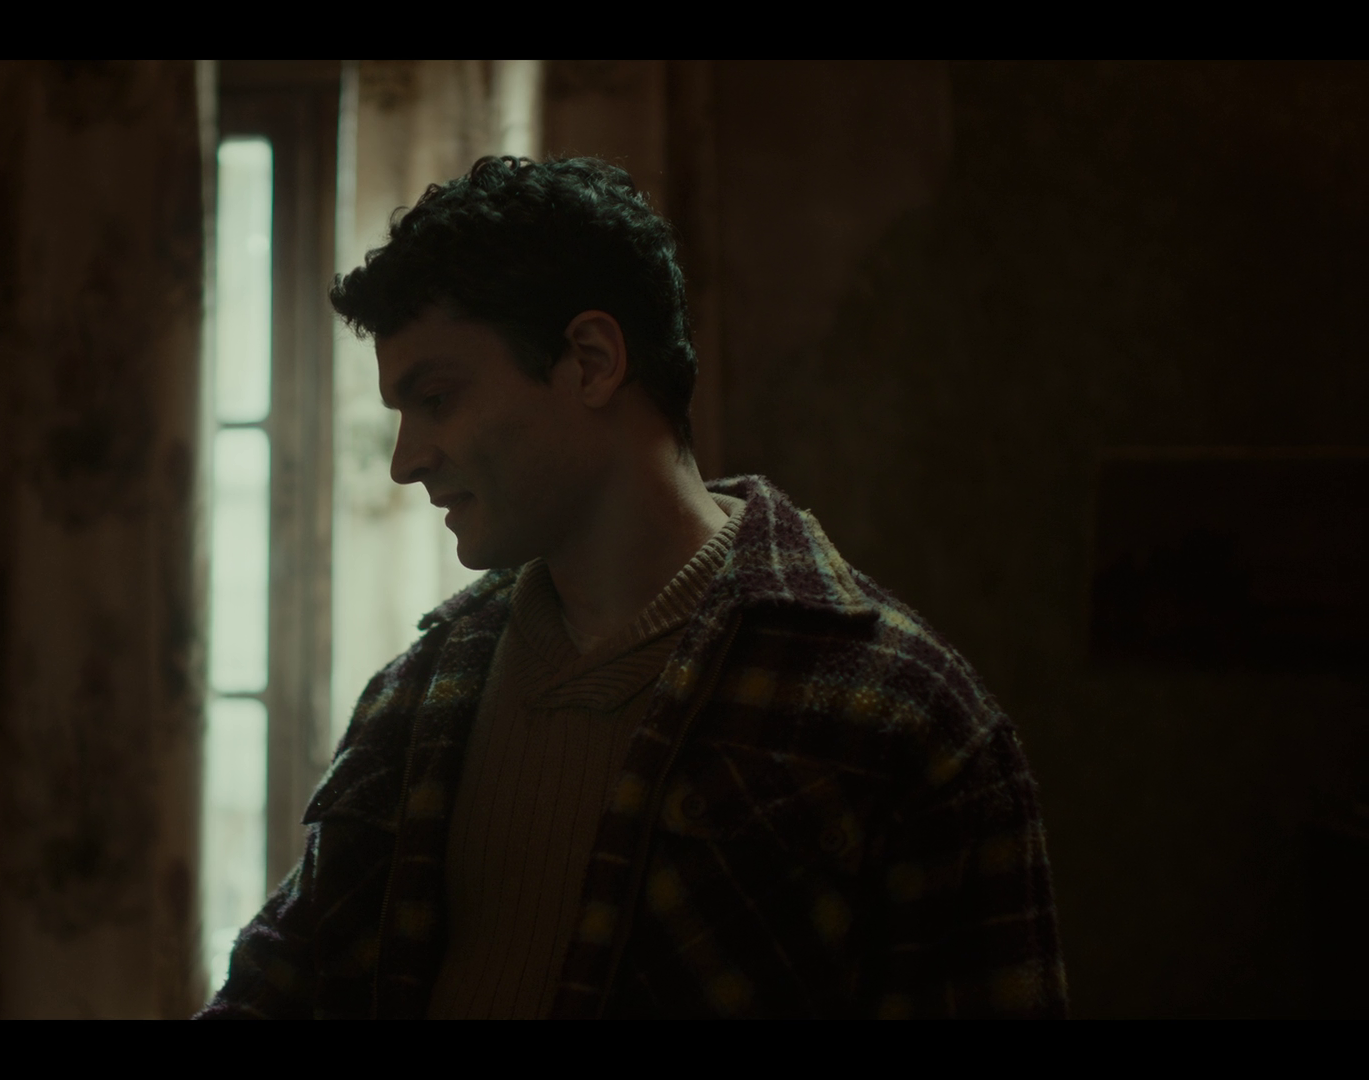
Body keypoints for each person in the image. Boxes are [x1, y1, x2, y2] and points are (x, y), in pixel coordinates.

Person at [200, 156, 1065, 1019]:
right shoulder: (421, 697)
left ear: (590, 360)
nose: (406, 460)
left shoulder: (905, 717)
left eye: (436, 398)